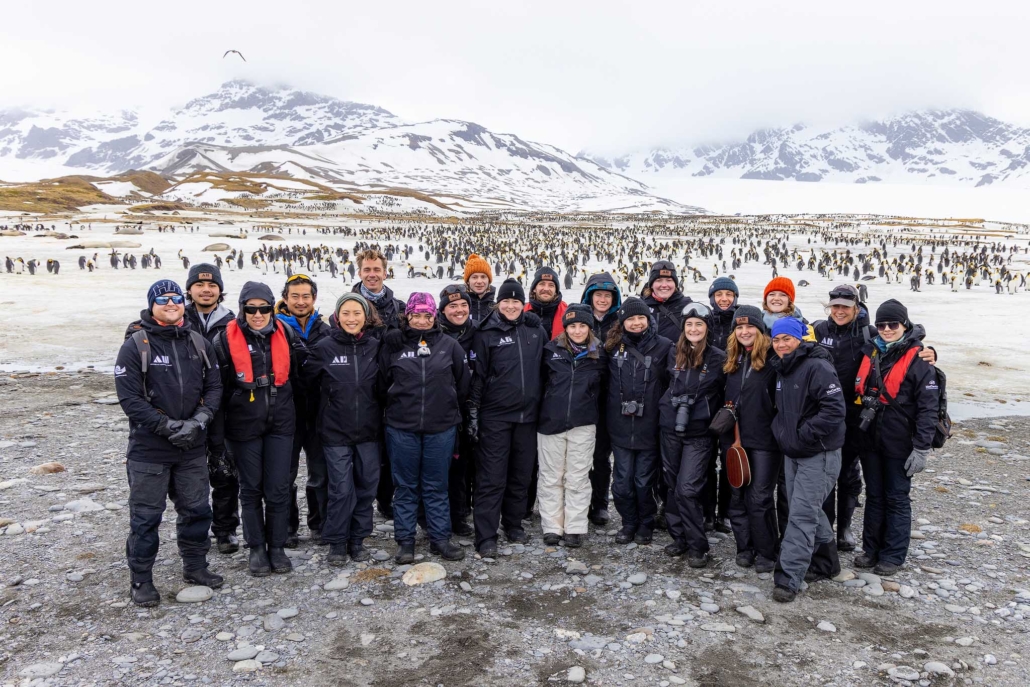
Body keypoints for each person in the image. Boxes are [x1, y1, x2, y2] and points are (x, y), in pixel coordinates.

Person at [115, 280, 223, 607]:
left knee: (196, 510)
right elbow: (130, 398)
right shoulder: (136, 345)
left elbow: (215, 387)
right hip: (150, 450)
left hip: (191, 446)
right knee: (146, 516)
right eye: (163, 299)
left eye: (176, 298)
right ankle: (141, 579)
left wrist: (199, 421)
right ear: (152, 304)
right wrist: (165, 425)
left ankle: (195, 566)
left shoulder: (199, 343)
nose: (172, 303)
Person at [813, 285, 937, 552]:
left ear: (856, 308)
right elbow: (785, 344)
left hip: (858, 419)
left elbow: (912, 359)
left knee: (849, 475)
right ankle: (828, 534)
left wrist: (929, 352)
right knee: (827, 477)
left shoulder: (868, 335)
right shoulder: (818, 330)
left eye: (845, 306)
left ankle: (846, 529)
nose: (839, 310)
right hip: (825, 415)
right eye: (835, 305)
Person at [214, 282, 306, 577]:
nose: (257, 314)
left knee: (278, 488)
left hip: (281, 423)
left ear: (272, 308)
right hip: (242, 426)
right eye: (250, 308)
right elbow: (215, 388)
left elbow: (305, 373)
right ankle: (256, 548)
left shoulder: (287, 335)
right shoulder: (223, 341)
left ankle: (276, 547)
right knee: (251, 489)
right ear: (242, 309)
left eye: (264, 308)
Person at [381, 293, 470, 563]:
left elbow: (462, 384)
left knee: (436, 485)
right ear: (407, 316)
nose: (421, 320)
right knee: (406, 486)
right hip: (402, 427)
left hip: (440, 428)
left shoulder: (450, 345)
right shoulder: (394, 345)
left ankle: (439, 538)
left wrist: (446, 409)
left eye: (427, 315)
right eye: (416, 315)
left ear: (435, 317)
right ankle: (405, 541)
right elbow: (381, 383)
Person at [853, 299, 939, 576]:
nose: (887, 329)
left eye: (893, 324)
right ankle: (871, 550)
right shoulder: (871, 351)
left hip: (900, 441)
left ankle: (893, 555)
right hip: (871, 440)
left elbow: (929, 407)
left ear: (904, 324)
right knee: (875, 495)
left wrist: (922, 447)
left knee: (897, 498)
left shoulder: (918, 359)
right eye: (881, 325)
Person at [303, 293, 384, 566]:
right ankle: (337, 542)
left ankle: (358, 539)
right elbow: (307, 387)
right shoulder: (324, 348)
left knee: (366, 487)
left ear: (365, 316)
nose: (352, 318)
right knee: (340, 489)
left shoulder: (375, 346)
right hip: (335, 433)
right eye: (346, 313)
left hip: (369, 433)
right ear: (337, 316)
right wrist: (322, 417)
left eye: (357, 313)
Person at [768, 317, 845, 602]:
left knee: (801, 513)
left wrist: (803, 435)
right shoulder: (784, 368)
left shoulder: (817, 367)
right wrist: (784, 434)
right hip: (794, 451)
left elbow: (835, 410)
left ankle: (788, 577)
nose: (781, 344)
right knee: (808, 508)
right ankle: (827, 563)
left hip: (818, 452)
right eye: (776, 340)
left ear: (801, 339)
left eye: (787, 338)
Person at [467, 278, 545, 556]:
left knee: (520, 475)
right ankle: (486, 535)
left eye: (516, 301)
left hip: (528, 417)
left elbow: (545, 373)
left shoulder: (535, 331)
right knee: (491, 477)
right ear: (498, 303)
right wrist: (474, 413)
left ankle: (513, 524)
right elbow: (478, 377)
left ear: (523, 304)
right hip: (495, 417)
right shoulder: (486, 333)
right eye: (506, 301)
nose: (511, 306)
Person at [658, 302, 727, 567]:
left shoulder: (718, 357)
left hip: (700, 433)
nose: (694, 329)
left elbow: (726, 394)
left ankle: (698, 545)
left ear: (707, 328)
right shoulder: (672, 353)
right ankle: (679, 538)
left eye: (699, 324)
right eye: (689, 325)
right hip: (670, 428)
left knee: (687, 488)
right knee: (673, 485)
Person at [537, 304, 608, 547]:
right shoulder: (550, 350)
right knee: (550, 476)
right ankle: (552, 527)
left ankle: (575, 527)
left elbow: (606, 390)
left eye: (582, 325)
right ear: (565, 328)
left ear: (590, 327)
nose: (577, 331)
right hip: (550, 422)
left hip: (584, 422)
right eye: (572, 326)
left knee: (578, 476)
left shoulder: (600, 354)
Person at [605, 297, 673, 545]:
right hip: (620, 427)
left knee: (644, 481)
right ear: (622, 322)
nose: (636, 323)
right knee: (622, 482)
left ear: (648, 319)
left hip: (649, 427)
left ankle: (646, 522)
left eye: (640, 318)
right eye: (631, 319)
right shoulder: (612, 347)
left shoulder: (664, 346)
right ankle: (628, 522)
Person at [182, 263, 240, 555]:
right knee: (190, 474)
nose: (206, 290)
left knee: (225, 470)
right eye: (200, 285)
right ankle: (194, 531)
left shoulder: (233, 322)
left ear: (220, 289)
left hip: (224, 409)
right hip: (185, 409)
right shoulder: (177, 319)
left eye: (212, 285)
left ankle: (225, 529)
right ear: (190, 289)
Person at [723, 305, 780, 573]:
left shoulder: (773, 359)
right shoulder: (732, 359)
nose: (745, 332)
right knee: (737, 497)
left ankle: (767, 551)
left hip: (764, 441)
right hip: (735, 441)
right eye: (740, 327)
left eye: (750, 327)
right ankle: (744, 547)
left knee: (759, 498)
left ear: (760, 329)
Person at [276, 274, 332, 547]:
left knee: (320, 473)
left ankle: (319, 523)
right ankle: (287, 527)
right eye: (295, 296)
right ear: (285, 298)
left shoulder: (326, 330)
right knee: (285, 474)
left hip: (319, 413)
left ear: (314, 299)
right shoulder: (274, 328)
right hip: (285, 413)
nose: (300, 301)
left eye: (306, 296)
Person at [351, 248, 405, 518]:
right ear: (359, 272)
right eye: (367, 270)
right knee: (362, 452)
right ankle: (356, 508)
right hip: (361, 389)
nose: (372, 275)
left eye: (376, 270)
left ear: (385, 272)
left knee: (388, 449)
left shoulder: (399, 307)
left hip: (392, 388)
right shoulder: (349, 307)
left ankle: (386, 500)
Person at [581, 272, 622, 525]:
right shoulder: (580, 320)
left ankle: (600, 504)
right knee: (580, 455)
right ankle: (580, 503)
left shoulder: (620, 323)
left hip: (610, 398)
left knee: (601, 456)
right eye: (599, 295)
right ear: (590, 296)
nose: (603, 299)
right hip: (583, 398)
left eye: (608, 295)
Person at [438, 283, 478, 536]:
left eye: (464, 304)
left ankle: (463, 511)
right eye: (453, 306)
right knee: (447, 465)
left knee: (468, 463)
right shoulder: (434, 334)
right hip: (442, 409)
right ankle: (448, 514)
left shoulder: (479, 332)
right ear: (442, 310)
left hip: (472, 406)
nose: (459, 310)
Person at [705, 275, 739, 533]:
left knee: (730, 456)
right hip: (707, 398)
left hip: (732, 400)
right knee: (705, 457)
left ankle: (726, 512)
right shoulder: (706, 321)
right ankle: (707, 511)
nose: (724, 299)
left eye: (728, 294)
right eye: (719, 295)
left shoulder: (743, 322)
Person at [642, 260, 692, 343]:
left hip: (677, 355)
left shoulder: (687, 306)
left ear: (675, 284)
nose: (664, 285)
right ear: (651, 284)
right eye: (659, 280)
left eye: (669, 280)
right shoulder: (639, 306)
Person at [524, 266, 569, 340]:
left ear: (556, 291)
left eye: (551, 285)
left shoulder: (568, 314)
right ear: (534, 289)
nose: (546, 289)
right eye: (542, 284)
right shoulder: (521, 312)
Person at [464, 254, 495, 325]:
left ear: (489, 280)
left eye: (483, 277)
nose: (479, 281)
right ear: (468, 281)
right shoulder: (460, 309)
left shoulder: (497, 309)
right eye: (474, 277)